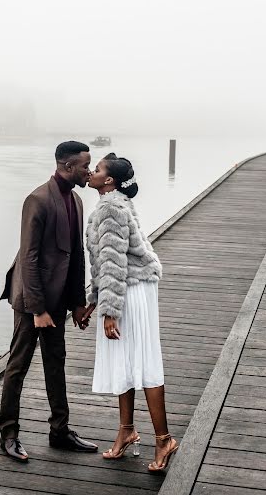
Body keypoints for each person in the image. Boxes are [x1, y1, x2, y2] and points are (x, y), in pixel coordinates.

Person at [0, 141, 98, 461]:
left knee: (56, 363)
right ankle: (9, 435)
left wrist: (78, 302)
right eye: (85, 166)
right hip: (32, 298)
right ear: (68, 167)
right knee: (18, 365)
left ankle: (59, 431)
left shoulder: (78, 201)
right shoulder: (37, 200)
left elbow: (75, 255)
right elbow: (28, 258)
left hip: (59, 298)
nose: (89, 170)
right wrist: (38, 309)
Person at [84, 153, 178, 471]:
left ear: (108, 180)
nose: (91, 172)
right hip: (127, 285)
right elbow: (105, 261)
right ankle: (126, 431)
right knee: (124, 358)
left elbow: (114, 262)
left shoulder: (111, 206)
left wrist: (109, 310)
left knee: (144, 359)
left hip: (132, 289)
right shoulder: (114, 200)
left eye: (96, 170)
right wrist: (93, 300)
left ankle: (164, 438)